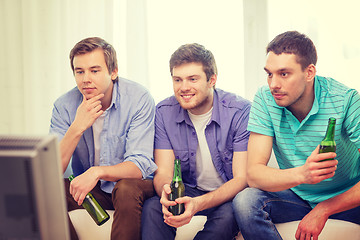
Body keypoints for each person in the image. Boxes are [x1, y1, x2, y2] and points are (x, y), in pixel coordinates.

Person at [232, 30, 360, 240]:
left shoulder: (346, 100)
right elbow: (254, 175)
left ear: (309, 72)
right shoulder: (265, 99)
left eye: (284, 74)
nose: (273, 84)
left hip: (347, 197)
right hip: (298, 196)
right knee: (245, 201)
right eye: (269, 74)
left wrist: (324, 209)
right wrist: (303, 174)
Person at [49, 37, 157, 240]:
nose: (85, 79)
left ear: (113, 72)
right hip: (92, 189)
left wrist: (97, 172)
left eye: (94, 70)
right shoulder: (64, 106)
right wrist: (77, 127)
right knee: (46, 192)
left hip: (133, 186)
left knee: (125, 188)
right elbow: (52, 171)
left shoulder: (138, 98)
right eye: (79, 71)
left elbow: (139, 165)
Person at [141, 43, 251, 239]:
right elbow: (164, 172)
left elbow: (241, 179)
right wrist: (166, 193)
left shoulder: (240, 111)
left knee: (229, 216)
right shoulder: (164, 112)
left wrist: (199, 204)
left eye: (193, 79)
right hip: (189, 189)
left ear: (212, 80)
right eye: (177, 79)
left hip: (227, 195)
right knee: (152, 207)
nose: (184, 87)